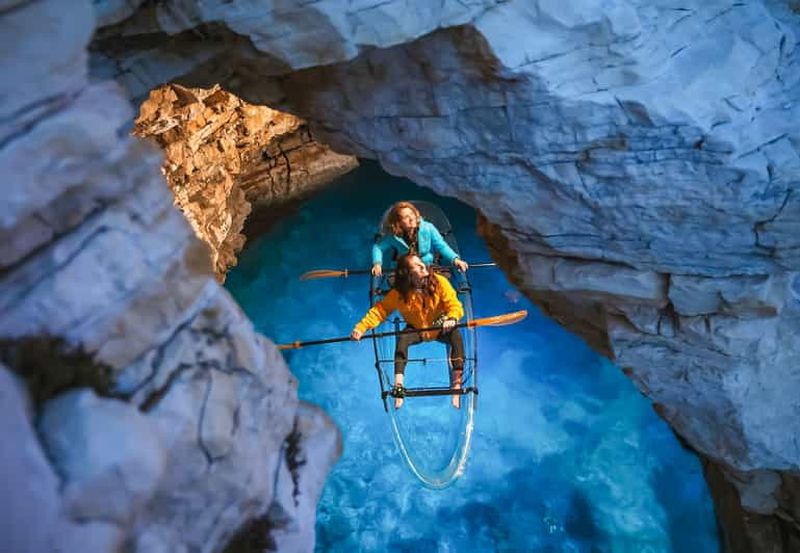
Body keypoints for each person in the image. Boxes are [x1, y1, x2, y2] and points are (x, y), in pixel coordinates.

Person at [352, 254, 465, 409]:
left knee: (456, 335)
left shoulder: (440, 281)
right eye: (417, 266)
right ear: (409, 275)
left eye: (421, 263)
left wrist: (452, 318)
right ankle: (399, 386)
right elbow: (381, 310)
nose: (423, 266)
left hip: (439, 324)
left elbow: (454, 305)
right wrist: (361, 328)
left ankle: (456, 385)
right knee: (402, 339)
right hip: (416, 328)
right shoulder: (399, 293)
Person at [371, 201, 469, 277]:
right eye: (406, 217)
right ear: (398, 223)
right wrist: (377, 263)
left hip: (427, 264)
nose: (411, 218)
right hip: (406, 267)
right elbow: (378, 247)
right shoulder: (394, 235)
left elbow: (441, 246)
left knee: (441, 281)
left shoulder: (428, 228)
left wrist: (455, 260)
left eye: (412, 214)